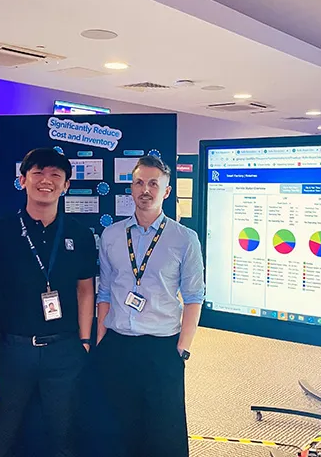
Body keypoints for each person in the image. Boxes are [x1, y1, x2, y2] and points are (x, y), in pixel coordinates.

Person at [0, 148, 96, 457]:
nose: (46, 181)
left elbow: (85, 289)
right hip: (11, 350)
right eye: (37, 174)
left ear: (66, 186)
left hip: (64, 350)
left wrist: (84, 341)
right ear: (22, 180)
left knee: (65, 433)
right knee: (2, 433)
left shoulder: (79, 234)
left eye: (55, 176)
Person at [95, 155, 205, 457]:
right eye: (139, 182)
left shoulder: (185, 239)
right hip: (117, 344)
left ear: (166, 192)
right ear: (131, 187)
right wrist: (102, 338)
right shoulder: (112, 235)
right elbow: (104, 291)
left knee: (162, 432)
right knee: (117, 427)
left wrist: (183, 347)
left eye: (153, 184)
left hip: (162, 347)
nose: (146, 190)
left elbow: (194, 297)